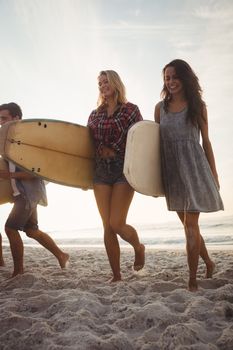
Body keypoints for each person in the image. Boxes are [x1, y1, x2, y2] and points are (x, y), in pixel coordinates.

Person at [154, 59, 224, 291]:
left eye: (175, 77)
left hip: (194, 169)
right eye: (167, 78)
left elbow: (207, 141)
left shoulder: (197, 106)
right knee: (188, 225)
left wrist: (214, 174)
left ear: (184, 78)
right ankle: (209, 262)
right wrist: (154, 179)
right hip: (172, 172)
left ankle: (192, 279)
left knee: (191, 225)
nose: (171, 82)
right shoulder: (159, 109)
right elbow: (155, 144)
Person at [88, 70, 145, 282]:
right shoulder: (94, 115)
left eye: (106, 82)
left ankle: (138, 247)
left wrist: (142, 174)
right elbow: (88, 146)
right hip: (101, 170)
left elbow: (141, 140)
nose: (103, 86)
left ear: (115, 83)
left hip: (123, 169)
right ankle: (117, 275)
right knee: (106, 226)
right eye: (100, 83)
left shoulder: (130, 110)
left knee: (117, 223)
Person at [0, 102, 69, 277]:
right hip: (20, 194)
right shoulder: (8, 144)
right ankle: (61, 255)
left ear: (16, 118)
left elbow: (36, 173)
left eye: (4, 118)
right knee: (31, 230)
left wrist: (9, 176)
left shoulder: (28, 142)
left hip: (28, 193)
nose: (1, 122)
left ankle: (18, 271)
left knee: (10, 228)